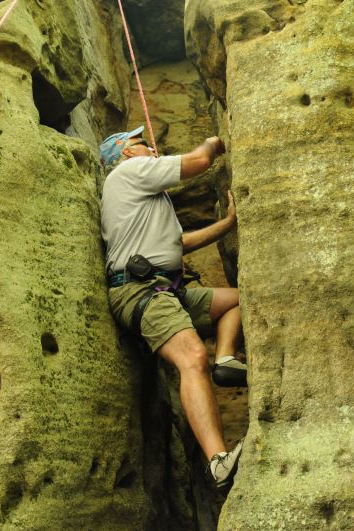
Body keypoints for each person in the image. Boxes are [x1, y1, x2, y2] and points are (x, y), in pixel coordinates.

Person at [98, 125, 246, 489]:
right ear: (127, 153)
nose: (151, 146)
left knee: (244, 299)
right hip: (141, 290)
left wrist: (227, 224)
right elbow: (198, 161)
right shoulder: (129, 172)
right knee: (192, 357)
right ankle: (217, 462)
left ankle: (226, 360)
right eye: (141, 143)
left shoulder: (145, 198)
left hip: (165, 289)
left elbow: (176, 243)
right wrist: (218, 141)